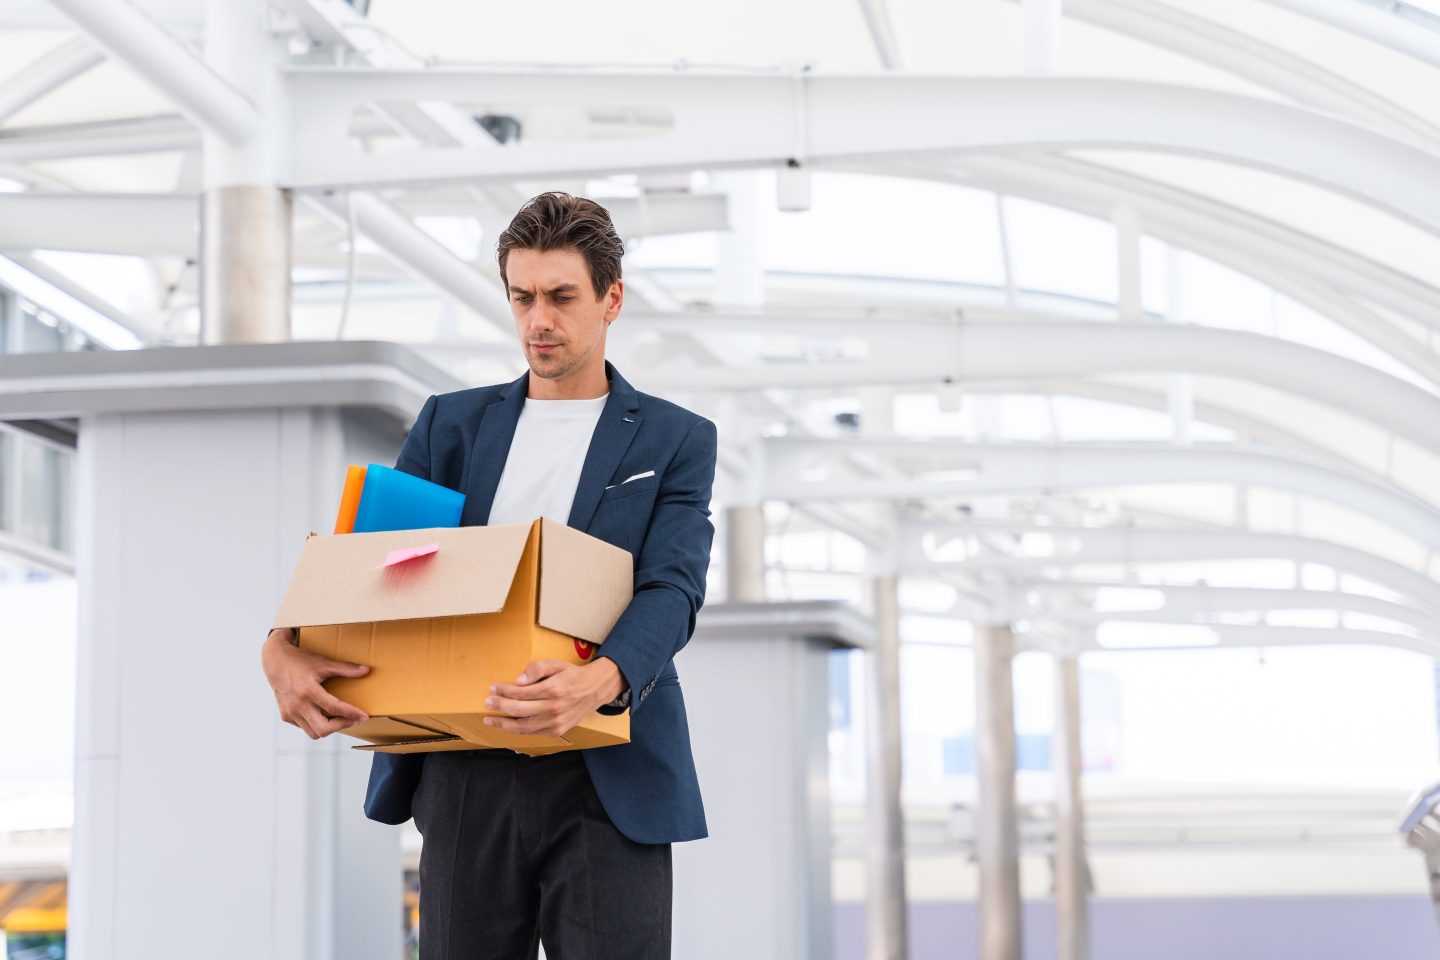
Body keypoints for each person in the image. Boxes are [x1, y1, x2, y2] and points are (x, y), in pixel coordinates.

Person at [261, 191, 716, 959]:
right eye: (522, 296)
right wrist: (282, 641)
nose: (539, 319)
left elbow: (673, 588)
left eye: (562, 297)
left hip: (606, 770)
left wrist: (598, 678)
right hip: (465, 764)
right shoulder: (452, 424)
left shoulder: (674, 439)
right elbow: (377, 563)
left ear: (611, 299)